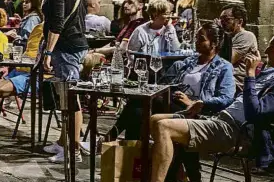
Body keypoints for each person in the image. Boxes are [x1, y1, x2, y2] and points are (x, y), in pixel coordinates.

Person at [118, 42, 273, 182]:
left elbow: (255, 113)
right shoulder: (268, 73)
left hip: (235, 132)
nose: (266, 51)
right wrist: (201, 105)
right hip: (219, 119)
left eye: (272, 47)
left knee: (164, 127)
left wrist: (250, 75)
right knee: (153, 119)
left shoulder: (231, 68)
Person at [100, 22, 235, 151]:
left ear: (214, 44)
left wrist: (195, 102)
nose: (197, 42)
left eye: (201, 39)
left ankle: (116, 142)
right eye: (197, 38)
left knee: (139, 108)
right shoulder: (188, 62)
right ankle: (133, 157)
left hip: (194, 111)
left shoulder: (224, 67)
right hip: (172, 101)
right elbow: (163, 84)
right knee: (138, 111)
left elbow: (226, 98)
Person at [41, 0, 89, 164]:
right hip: (78, 45)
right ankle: (63, 142)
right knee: (66, 97)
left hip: (66, 49)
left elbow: (57, 23)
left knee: (71, 99)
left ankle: (73, 150)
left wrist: (48, 52)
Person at [219, 4, 258, 92]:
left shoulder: (247, 36)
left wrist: (221, 34)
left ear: (240, 22)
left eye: (226, 19)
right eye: (221, 19)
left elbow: (227, 60)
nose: (222, 22)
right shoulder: (228, 36)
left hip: (234, 84)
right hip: (221, 79)